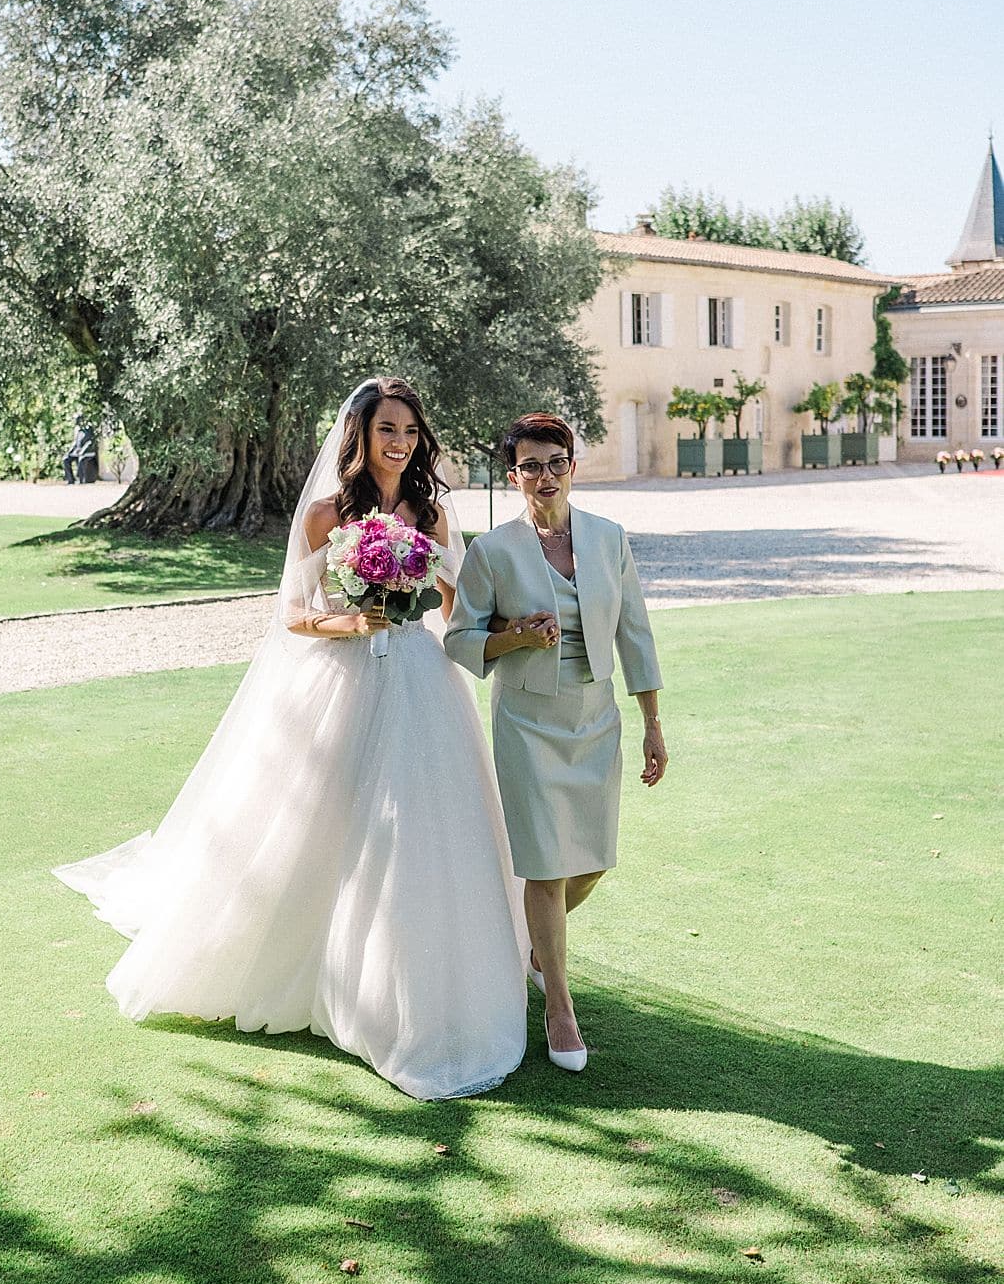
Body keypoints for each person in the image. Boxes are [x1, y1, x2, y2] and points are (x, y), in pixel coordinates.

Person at [53, 378, 529, 1101]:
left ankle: (418, 979)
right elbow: (296, 616)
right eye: (386, 431)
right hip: (341, 678)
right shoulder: (324, 514)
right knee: (325, 825)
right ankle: (308, 964)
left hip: (423, 682)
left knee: (420, 829)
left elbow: (457, 606)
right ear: (360, 437)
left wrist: (489, 625)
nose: (399, 443)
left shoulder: (432, 512)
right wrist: (356, 620)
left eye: (408, 431)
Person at [444, 412, 666, 1073]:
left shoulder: (608, 538)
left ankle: (539, 949)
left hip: (596, 719)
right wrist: (513, 635)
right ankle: (559, 1009)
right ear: (513, 476)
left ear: (574, 466)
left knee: (591, 861)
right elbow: (459, 638)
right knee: (544, 865)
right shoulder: (492, 552)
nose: (545, 476)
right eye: (531, 466)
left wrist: (653, 722)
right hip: (527, 721)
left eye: (556, 462)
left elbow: (637, 635)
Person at [62, 415, 98, 484]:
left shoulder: (89, 429)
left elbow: (89, 442)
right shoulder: (77, 430)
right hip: (77, 452)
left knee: (81, 460)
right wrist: (70, 451)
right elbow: (75, 442)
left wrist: (82, 451)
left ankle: (82, 480)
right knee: (66, 459)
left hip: (87, 452)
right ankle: (71, 480)